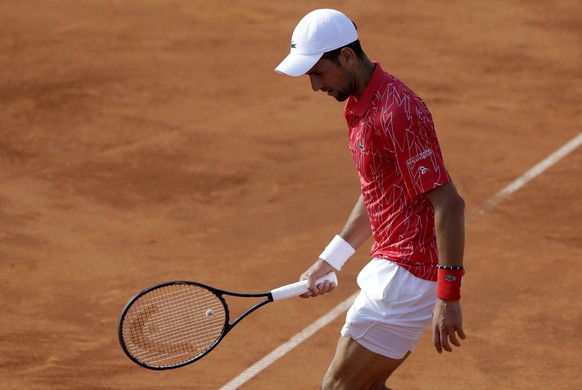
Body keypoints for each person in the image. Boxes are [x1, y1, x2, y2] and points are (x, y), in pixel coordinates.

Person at [275, 9, 466, 390]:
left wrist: (448, 295)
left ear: (346, 56)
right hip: (393, 264)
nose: (315, 86)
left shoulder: (396, 112)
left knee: (339, 388)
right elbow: (377, 190)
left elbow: (449, 203)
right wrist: (329, 261)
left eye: (317, 73)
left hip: (409, 276)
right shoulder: (363, 104)